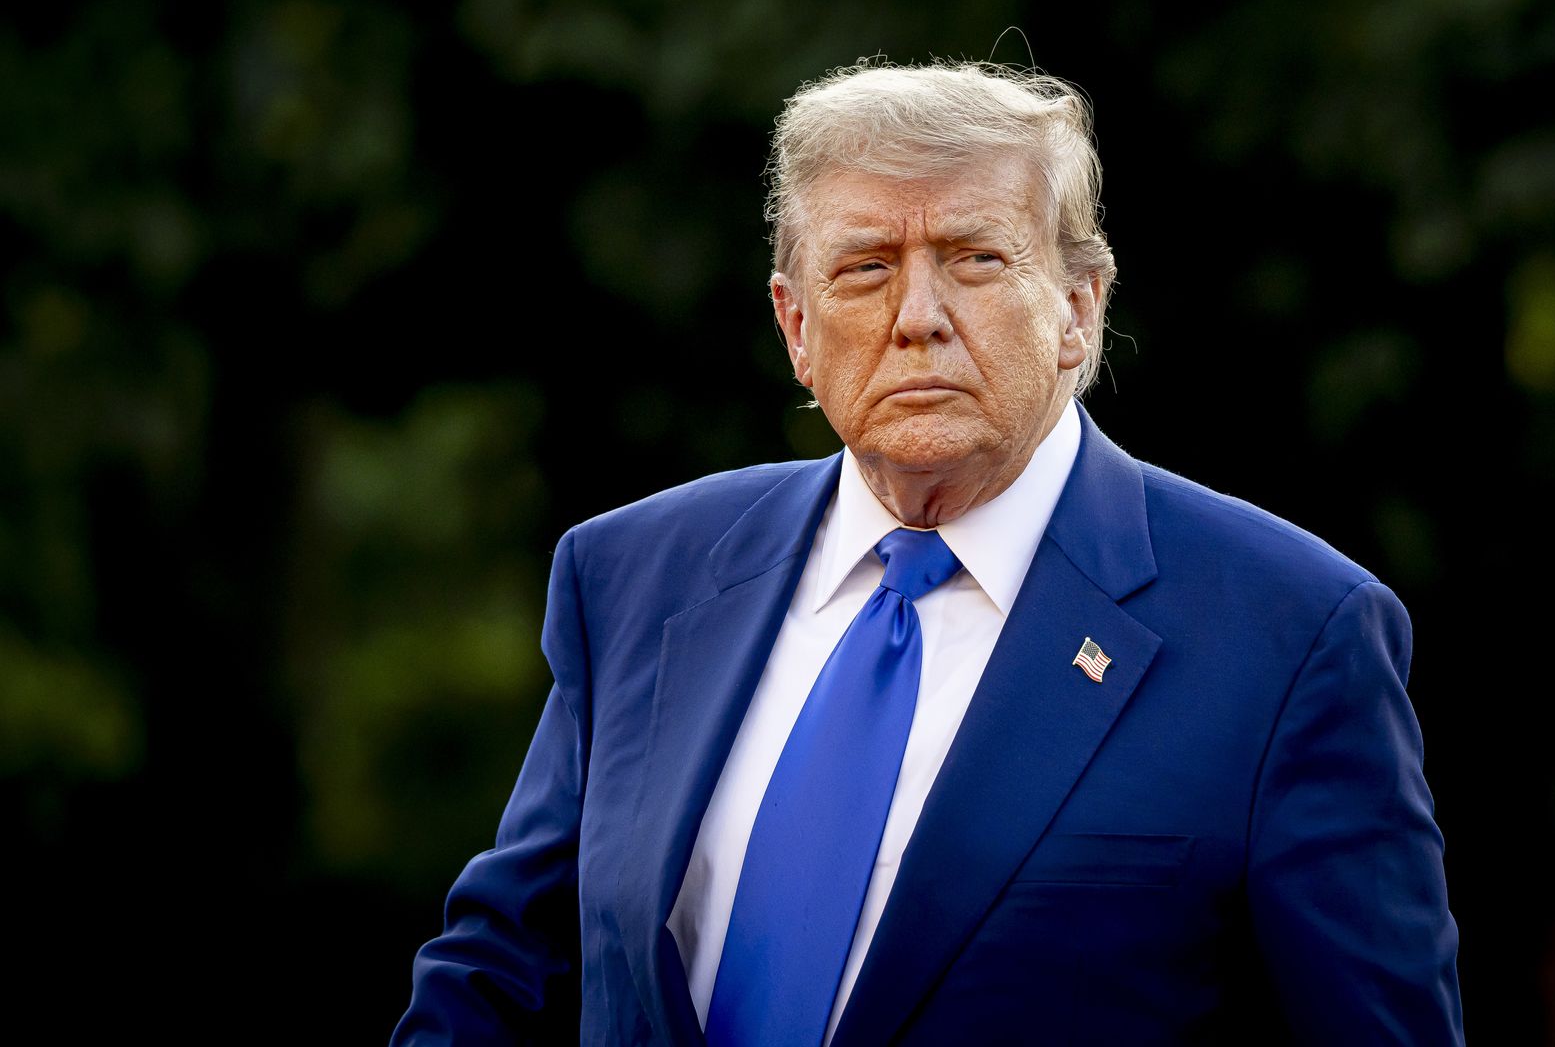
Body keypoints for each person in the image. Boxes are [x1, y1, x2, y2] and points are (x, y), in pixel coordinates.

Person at [394, 60, 1463, 1045]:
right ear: (796, 327)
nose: (919, 318)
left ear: (1079, 312)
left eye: (975, 260)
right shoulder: (636, 577)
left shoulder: (1288, 636)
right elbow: (495, 979)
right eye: (865, 269)